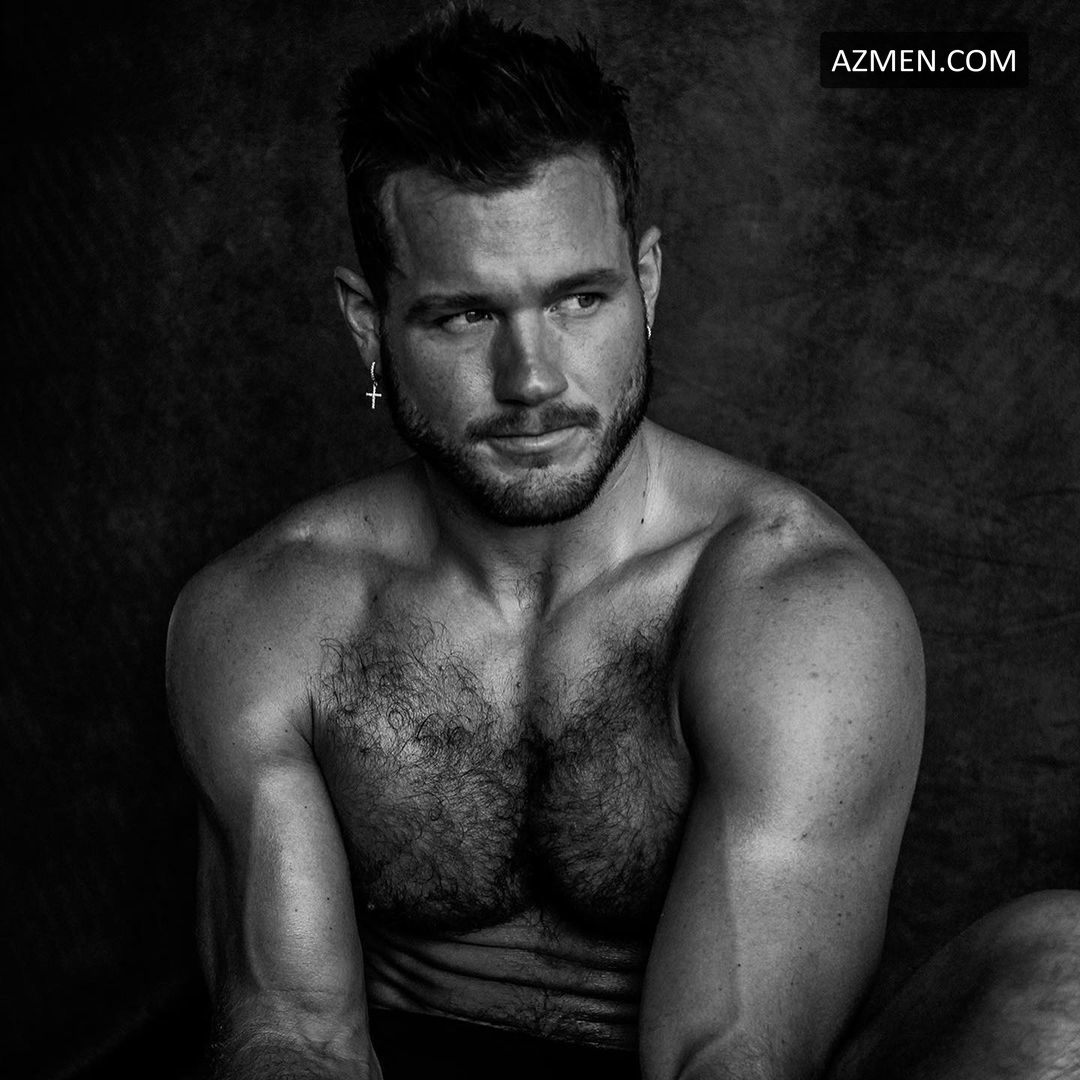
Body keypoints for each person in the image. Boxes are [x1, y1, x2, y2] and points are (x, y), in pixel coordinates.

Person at [166, 6, 1080, 1078]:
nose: (532, 380)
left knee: (1063, 979)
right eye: (464, 316)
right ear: (371, 325)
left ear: (644, 283)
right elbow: (294, 1035)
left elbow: (726, 1053)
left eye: (579, 300)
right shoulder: (266, 612)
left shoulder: (795, 605)